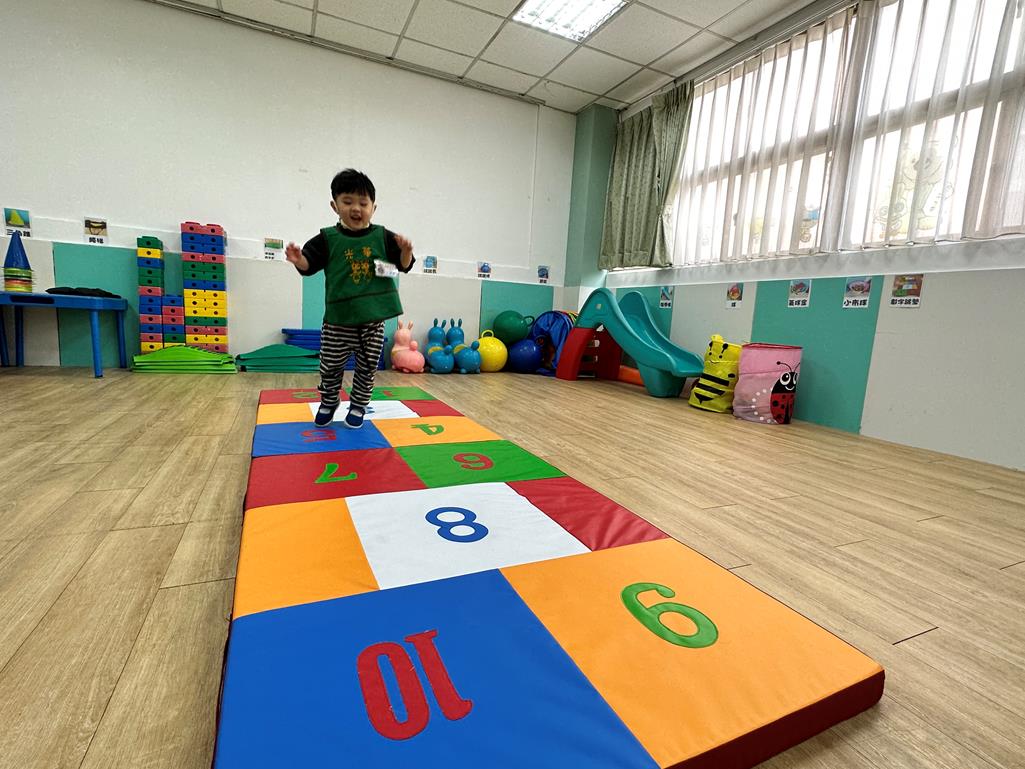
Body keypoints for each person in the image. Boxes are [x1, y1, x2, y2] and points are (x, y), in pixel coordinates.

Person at [286, 169, 414, 428]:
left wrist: (406, 251)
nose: (356, 208)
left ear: (373, 208)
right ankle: (329, 400)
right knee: (330, 365)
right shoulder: (327, 239)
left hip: (372, 320)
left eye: (363, 203)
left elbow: (404, 265)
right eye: (348, 202)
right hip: (338, 320)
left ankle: (358, 405)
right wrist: (299, 259)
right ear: (335, 206)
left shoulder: (383, 236)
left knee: (367, 367)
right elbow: (309, 265)